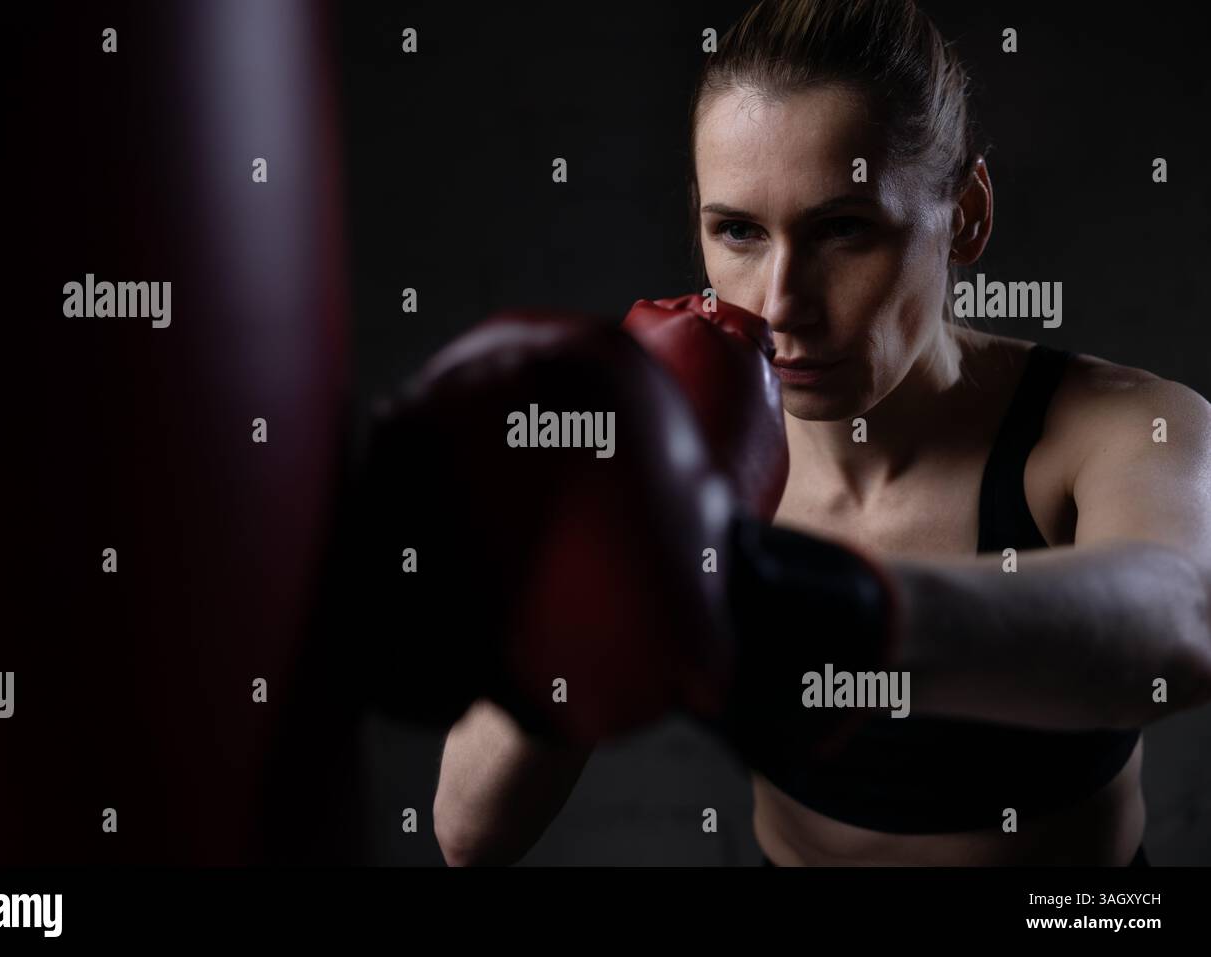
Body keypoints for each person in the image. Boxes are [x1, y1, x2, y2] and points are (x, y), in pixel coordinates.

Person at [429, 0, 1211, 867]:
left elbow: (1180, 620)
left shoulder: (1115, 425)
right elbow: (469, 831)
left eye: (843, 229)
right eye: (739, 231)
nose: (780, 305)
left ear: (966, 215)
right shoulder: (674, 450)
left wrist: (806, 600)